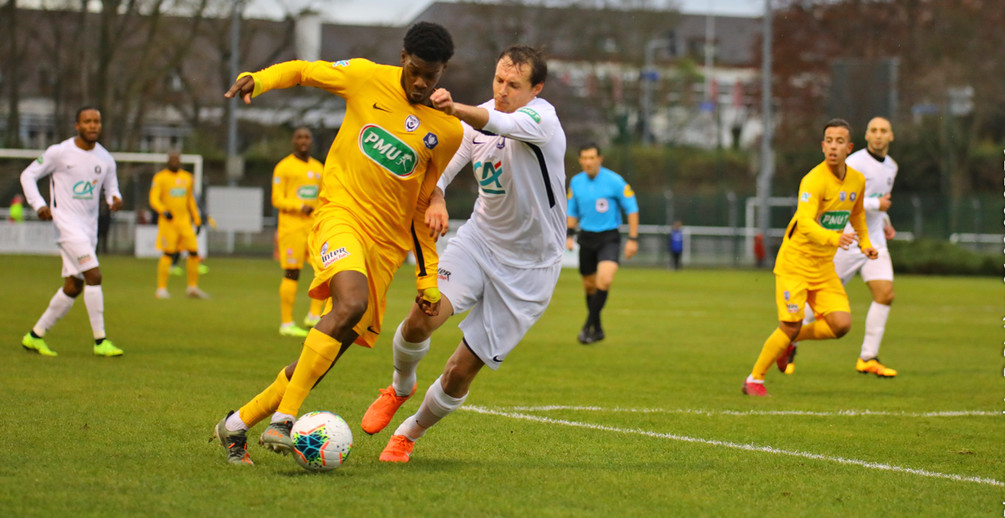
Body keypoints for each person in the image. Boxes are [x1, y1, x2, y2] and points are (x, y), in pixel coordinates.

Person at [210, 22, 462, 466]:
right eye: (416, 70)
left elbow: (422, 207)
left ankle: (235, 425)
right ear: (403, 56)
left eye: (433, 75)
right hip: (338, 216)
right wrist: (262, 79)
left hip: (384, 250)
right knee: (348, 305)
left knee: (323, 353)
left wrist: (426, 280)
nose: (422, 82)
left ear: (444, 71)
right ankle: (284, 420)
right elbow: (306, 70)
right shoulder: (365, 76)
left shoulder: (446, 131)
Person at [360, 45, 567, 463]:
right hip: (478, 243)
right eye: (498, 80)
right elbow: (446, 168)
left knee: (459, 370)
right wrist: (435, 197)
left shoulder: (541, 120)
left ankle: (407, 434)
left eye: (514, 84)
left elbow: (499, 121)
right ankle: (400, 386)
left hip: (530, 270)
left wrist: (453, 108)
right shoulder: (478, 119)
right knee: (422, 317)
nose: (502, 90)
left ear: (536, 89)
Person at [742, 119, 877, 397]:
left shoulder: (856, 180)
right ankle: (754, 379)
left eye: (839, 141)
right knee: (789, 324)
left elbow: (857, 214)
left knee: (841, 325)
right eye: (828, 140)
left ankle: (788, 343)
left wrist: (865, 242)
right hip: (795, 264)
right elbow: (804, 223)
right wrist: (833, 238)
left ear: (849, 147)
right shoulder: (813, 180)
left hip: (823, 266)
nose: (833, 146)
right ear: (822, 145)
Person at [783, 117, 899, 377]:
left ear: (891, 136)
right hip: (844, 241)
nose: (879, 135)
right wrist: (875, 206)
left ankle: (868, 357)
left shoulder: (892, 166)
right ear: (866, 137)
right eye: (874, 131)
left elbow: (876, 201)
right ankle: (789, 341)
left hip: (873, 240)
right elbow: (851, 201)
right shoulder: (854, 161)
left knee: (885, 294)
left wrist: (886, 220)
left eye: (884, 131)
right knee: (818, 306)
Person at [19, 106, 124, 358]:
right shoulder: (59, 152)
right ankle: (100, 341)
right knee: (94, 276)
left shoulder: (105, 158)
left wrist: (115, 199)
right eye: (87, 121)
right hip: (66, 225)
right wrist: (39, 204)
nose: (92, 125)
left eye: (96, 121)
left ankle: (34, 336)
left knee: (74, 285)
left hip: (89, 228)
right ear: (77, 125)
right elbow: (28, 175)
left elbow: (112, 189)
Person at [565, 143, 639, 344]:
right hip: (586, 238)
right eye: (584, 158)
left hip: (609, 238)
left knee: (604, 281)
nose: (588, 162)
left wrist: (633, 239)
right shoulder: (576, 182)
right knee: (589, 287)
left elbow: (631, 207)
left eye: (592, 158)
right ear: (580, 160)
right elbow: (572, 210)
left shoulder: (614, 181)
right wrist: (569, 234)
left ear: (600, 159)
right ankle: (597, 329)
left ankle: (587, 326)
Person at [272, 127, 326, 337]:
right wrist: (298, 206)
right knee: (292, 273)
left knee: (322, 270)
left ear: (311, 141)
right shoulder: (283, 167)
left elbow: (323, 196)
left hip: (313, 228)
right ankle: (286, 323)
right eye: (299, 137)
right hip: (291, 228)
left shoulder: (318, 167)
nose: (303, 141)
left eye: (307, 137)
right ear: (293, 141)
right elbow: (277, 199)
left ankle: (313, 316)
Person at [149, 150, 208, 299]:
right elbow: (153, 199)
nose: (175, 161)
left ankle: (192, 288)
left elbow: (190, 200)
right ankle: (161, 289)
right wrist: (163, 211)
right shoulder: (160, 178)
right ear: (168, 160)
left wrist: (197, 218)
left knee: (194, 252)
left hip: (184, 222)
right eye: (172, 159)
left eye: (177, 159)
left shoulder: (187, 178)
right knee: (168, 253)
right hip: (168, 223)